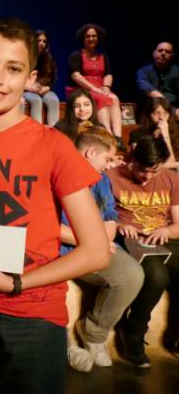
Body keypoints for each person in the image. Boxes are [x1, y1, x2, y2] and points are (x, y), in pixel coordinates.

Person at [0, 18, 110, 394]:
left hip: (31, 314)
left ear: (30, 78)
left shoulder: (53, 145)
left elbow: (97, 251)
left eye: (13, 69)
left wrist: (15, 283)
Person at [59, 127, 144, 373]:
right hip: (58, 249)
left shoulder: (102, 179)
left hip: (94, 246)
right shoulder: (56, 172)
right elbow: (49, 226)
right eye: (107, 159)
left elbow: (110, 217)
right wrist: (92, 241)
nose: (110, 165)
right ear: (90, 152)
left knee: (131, 275)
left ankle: (93, 333)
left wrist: (101, 242)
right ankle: (62, 344)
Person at [107, 135, 179, 365]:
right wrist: (119, 226)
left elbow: (178, 225)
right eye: (142, 171)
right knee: (157, 275)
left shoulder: (171, 179)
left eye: (154, 171)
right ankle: (133, 332)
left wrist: (167, 230)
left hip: (163, 238)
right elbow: (100, 218)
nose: (147, 177)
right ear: (133, 160)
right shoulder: (111, 177)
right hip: (130, 239)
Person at [66, 24, 122, 143]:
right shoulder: (76, 55)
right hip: (81, 88)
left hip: (100, 87)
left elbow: (108, 74)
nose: (91, 38)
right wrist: (93, 88)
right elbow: (76, 76)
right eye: (88, 36)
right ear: (83, 38)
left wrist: (106, 86)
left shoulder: (103, 56)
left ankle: (118, 137)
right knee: (101, 98)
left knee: (114, 98)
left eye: (94, 36)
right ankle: (108, 136)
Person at [129, 97, 179, 169]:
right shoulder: (137, 134)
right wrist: (176, 164)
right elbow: (145, 164)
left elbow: (172, 166)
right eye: (157, 113)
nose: (161, 117)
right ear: (149, 114)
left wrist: (166, 135)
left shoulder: (176, 131)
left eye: (165, 113)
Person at [23, 29, 59, 126]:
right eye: (39, 41)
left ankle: (53, 131)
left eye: (44, 41)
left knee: (53, 100)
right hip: (27, 89)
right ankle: (37, 130)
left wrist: (48, 87)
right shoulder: (25, 57)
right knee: (36, 101)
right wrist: (28, 87)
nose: (42, 43)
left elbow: (52, 78)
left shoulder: (49, 58)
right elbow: (18, 77)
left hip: (43, 90)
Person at [136, 41, 178, 111]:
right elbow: (144, 86)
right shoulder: (143, 71)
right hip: (150, 110)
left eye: (167, 52)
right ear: (153, 54)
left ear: (172, 56)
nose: (163, 53)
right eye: (160, 50)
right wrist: (167, 105)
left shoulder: (177, 71)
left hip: (174, 110)